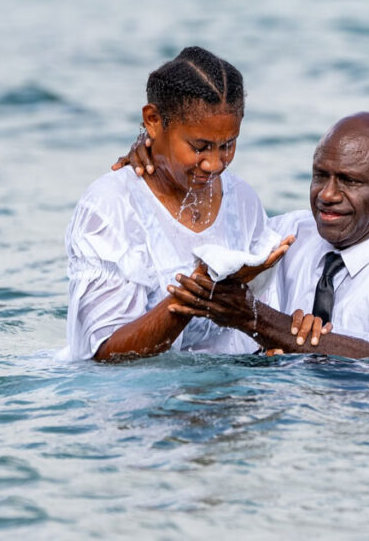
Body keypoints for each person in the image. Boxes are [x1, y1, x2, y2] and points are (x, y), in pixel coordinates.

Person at [124, 112, 369, 361]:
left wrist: (256, 319)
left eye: (350, 181)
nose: (327, 194)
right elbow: (198, 235)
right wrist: (160, 162)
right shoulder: (291, 233)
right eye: (320, 176)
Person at [59, 46, 292, 362]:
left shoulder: (242, 200)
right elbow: (105, 354)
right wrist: (197, 294)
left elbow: (251, 328)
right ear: (153, 120)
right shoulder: (111, 207)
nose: (214, 164)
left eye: (228, 145)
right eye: (200, 147)